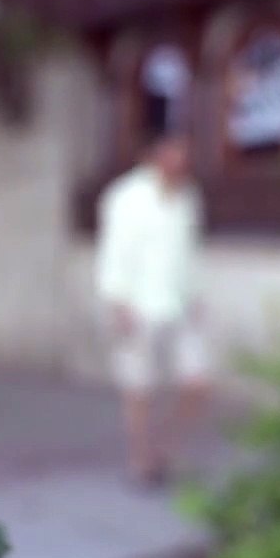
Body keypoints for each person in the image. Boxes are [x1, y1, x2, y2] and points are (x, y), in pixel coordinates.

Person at [95, 131, 210, 487]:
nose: (178, 162)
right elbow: (114, 251)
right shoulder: (126, 196)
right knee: (140, 386)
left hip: (178, 303)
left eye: (183, 155)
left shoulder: (189, 195)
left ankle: (165, 450)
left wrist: (195, 295)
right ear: (154, 155)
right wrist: (118, 303)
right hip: (138, 303)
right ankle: (140, 460)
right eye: (171, 154)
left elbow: (190, 250)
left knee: (197, 381)